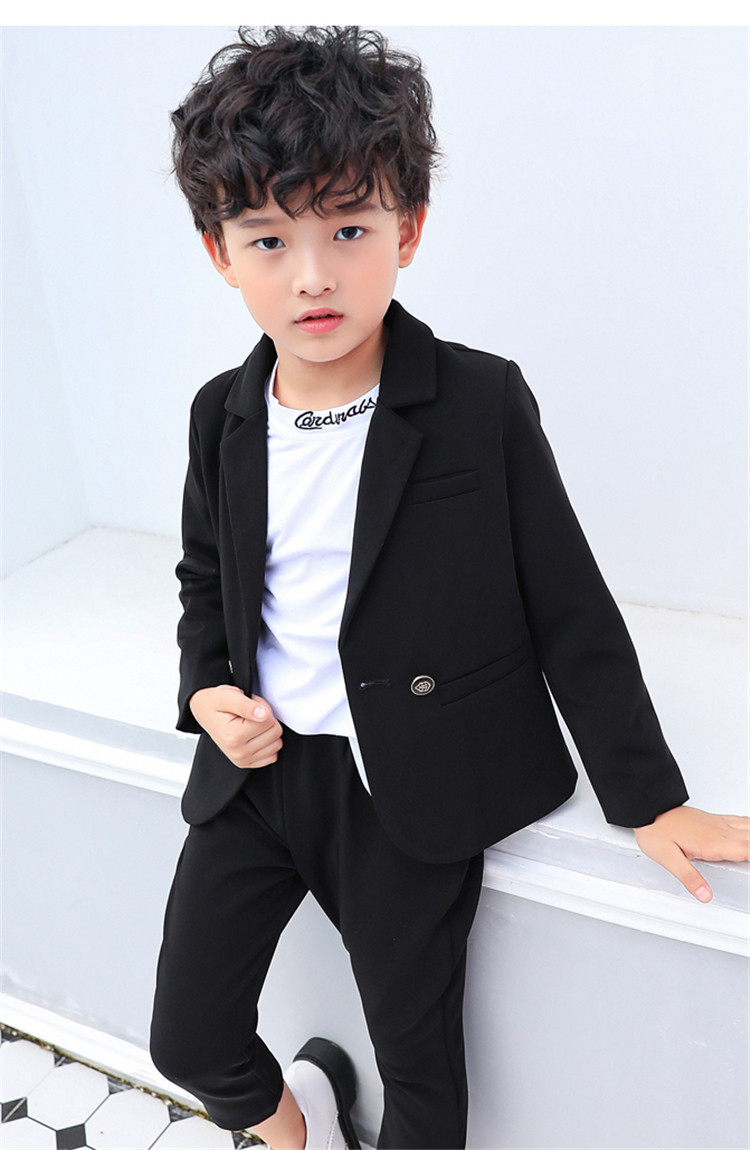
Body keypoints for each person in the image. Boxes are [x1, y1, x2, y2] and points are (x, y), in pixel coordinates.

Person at [148, 25, 749, 1150]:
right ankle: (300, 1133)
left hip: (408, 789)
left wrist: (649, 796)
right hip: (261, 779)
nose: (313, 274)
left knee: (421, 1075)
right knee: (187, 1037)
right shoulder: (218, 415)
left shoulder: (478, 401)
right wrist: (204, 690)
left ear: (409, 229)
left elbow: (569, 604)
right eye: (269, 239)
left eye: (348, 229)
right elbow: (206, 578)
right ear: (220, 253)